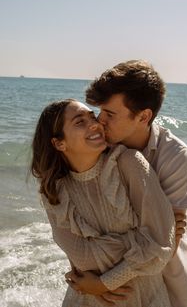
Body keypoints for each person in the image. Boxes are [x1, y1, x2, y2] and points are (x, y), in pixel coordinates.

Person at [31, 98, 176, 307]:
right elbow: (83, 259)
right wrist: (136, 242)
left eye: (92, 116)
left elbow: (162, 244)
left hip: (144, 298)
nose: (95, 124)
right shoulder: (53, 191)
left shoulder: (129, 163)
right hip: (86, 298)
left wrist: (104, 282)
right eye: (80, 122)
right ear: (59, 143)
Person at [83, 60, 187, 307]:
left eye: (110, 114)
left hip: (169, 289)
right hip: (109, 284)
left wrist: (107, 282)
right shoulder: (97, 146)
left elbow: (167, 240)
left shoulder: (175, 156)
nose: (100, 120)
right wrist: (93, 280)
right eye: (100, 111)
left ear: (144, 116)